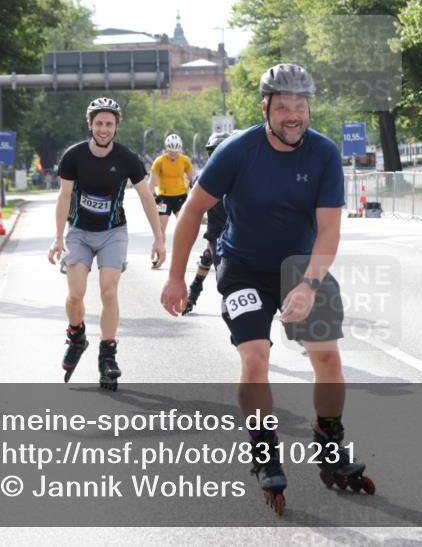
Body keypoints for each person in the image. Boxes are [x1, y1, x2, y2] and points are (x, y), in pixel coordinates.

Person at [159, 63, 373, 514]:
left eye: (300, 106)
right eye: (283, 107)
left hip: (301, 265)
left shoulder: (324, 153)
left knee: (329, 357)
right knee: (256, 356)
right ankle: (263, 449)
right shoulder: (238, 151)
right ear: (266, 108)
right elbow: (192, 211)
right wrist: (177, 275)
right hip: (243, 268)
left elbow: (329, 230)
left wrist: (310, 283)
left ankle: (328, 439)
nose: (293, 115)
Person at [47, 97, 166, 390]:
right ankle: (77, 336)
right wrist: (58, 237)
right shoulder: (74, 156)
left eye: (109, 124)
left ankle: (108, 354)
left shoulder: (126, 159)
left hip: (114, 232)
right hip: (79, 232)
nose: (103, 129)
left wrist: (159, 239)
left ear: (116, 127)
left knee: (109, 292)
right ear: (90, 124)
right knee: (75, 295)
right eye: (98, 123)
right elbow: (64, 197)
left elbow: (146, 197)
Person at [182, 131, 232, 315]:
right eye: (213, 152)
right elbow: (193, 207)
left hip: (242, 233)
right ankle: (193, 294)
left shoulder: (242, 175)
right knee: (220, 272)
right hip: (217, 234)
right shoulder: (201, 179)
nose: (217, 156)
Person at [148, 133, 193, 266]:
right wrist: (155, 197)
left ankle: (181, 257)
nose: (173, 154)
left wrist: (192, 195)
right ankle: (157, 254)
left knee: (183, 227)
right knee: (161, 228)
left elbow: (192, 180)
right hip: (164, 198)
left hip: (180, 197)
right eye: (170, 151)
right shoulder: (159, 161)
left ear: (180, 149)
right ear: (166, 149)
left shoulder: (185, 160)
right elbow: (151, 183)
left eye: (176, 151)